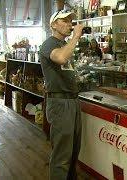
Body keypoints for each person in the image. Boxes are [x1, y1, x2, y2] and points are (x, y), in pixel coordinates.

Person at [39, 10, 83, 180]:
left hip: (73, 101)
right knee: (62, 157)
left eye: (71, 20)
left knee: (73, 152)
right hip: (60, 103)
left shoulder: (63, 44)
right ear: (53, 25)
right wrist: (76, 37)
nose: (69, 24)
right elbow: (61, 58)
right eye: (64, 20)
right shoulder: (49, 44)